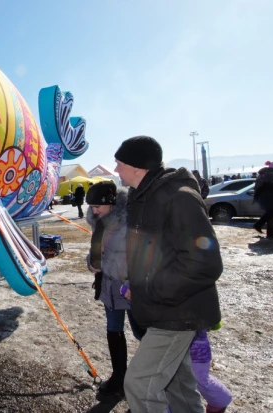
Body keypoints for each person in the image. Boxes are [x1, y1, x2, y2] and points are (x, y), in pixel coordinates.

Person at [114, 135, 223, 413]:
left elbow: (204, 262)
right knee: (177, 383)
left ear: (138, 167)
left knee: (140, 383)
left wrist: (152, 289)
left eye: (119, 163)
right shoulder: (142, 197)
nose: (116, 170)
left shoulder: (179, 197)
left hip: (178, 311)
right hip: (161, 309)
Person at [85, 181, 145, 396]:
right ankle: (119, 375)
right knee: (113, 330)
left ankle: (148, 380)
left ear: (110, 203)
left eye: (97, 206)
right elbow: (96, 251)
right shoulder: (99, 222)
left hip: (129, 286)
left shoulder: (127, 221)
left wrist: (133, 283)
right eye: (91, 207)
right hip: (109, 284)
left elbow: (140, 255)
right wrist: (90, 262)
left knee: (142, 333)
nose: (93, 210)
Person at [253, 166, 273, 239]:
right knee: (272, 212)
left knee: (272, 214)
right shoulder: (271, 174)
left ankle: (271, 232)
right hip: (269, 197)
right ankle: (258, 225)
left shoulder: (265, 174)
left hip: (266, 197)